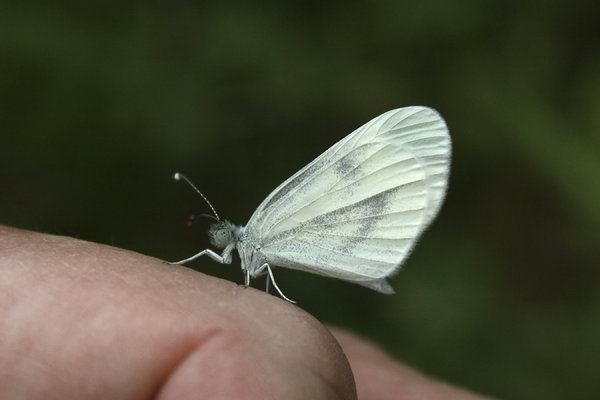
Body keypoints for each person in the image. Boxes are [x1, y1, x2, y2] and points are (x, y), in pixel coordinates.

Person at [0, 226, 493, 399]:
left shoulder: (255, 237)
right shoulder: (240, 247)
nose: (223, 244)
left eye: (224, 238)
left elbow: (257, 270)